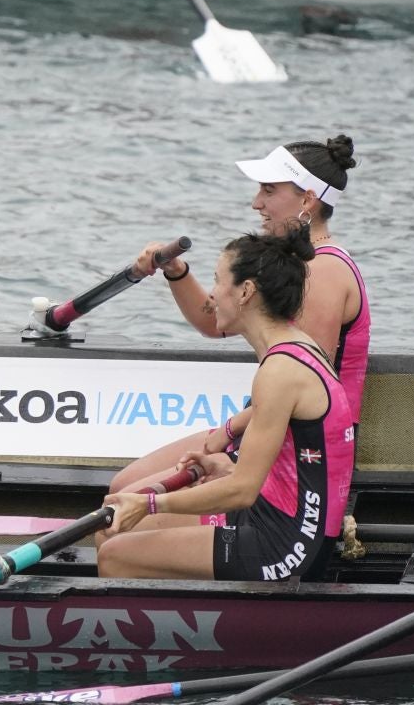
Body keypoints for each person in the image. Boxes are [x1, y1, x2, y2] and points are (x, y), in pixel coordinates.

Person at [108, 136, 366, 496]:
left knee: (127, 498)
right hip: (264, 424)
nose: (256, 203)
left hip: (303, 447)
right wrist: (175, 270)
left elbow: (306, 380)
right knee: (122, 486)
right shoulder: (292, 264)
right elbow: (215, 323)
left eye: (269, 191)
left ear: (307, 200)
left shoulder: (323, 272)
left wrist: (225, 434)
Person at [97, 228, 355, 581]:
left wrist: (150, 503)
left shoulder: (281, 370)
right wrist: (223, 468)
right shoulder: (296, 347)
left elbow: (242, 491)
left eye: (218, 281)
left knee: (114, 553)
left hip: (285, 545)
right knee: (111, 525)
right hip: (273, 514)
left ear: (246, 291)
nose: (213, 294)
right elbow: (277, 472)